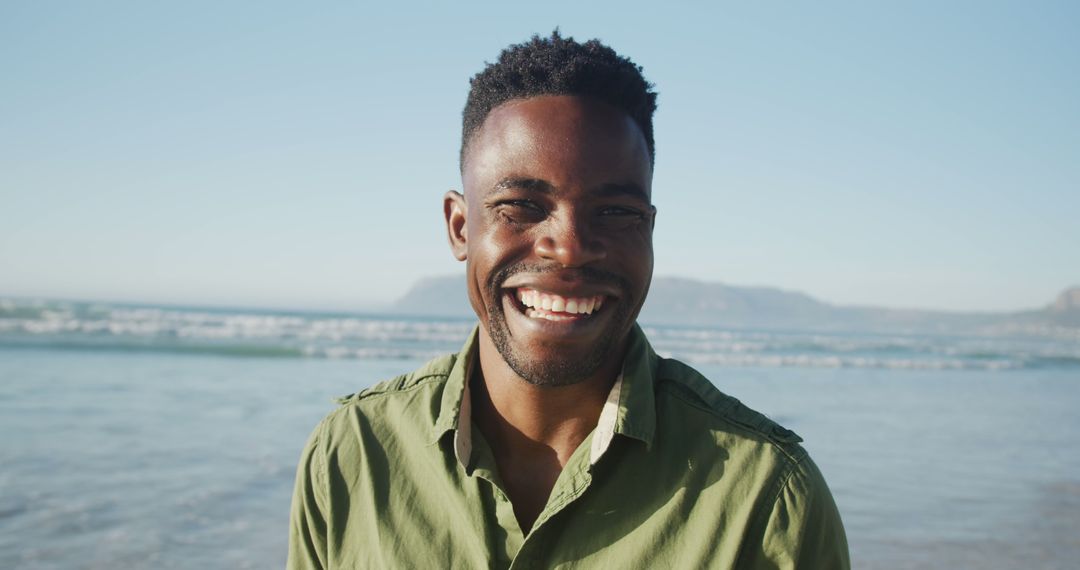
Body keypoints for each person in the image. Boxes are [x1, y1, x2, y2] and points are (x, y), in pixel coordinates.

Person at [288, 31, 849, 569]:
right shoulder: (352, 455)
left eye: (615, 212)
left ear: (648, 230)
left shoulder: (767, 498)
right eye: (521, 206)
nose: (570, 248)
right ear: (460, 226)